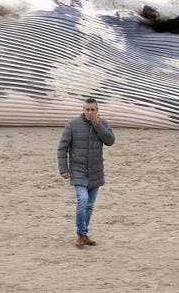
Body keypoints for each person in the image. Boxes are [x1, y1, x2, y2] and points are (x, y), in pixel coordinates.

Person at [57, 97, 116, 248]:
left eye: (93, 110)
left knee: (89, 205)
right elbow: (62, 147)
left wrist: (97, 124)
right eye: (87, 109)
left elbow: (110, 141)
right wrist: (63, 168)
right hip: (78, 170)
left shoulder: (103, 124)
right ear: (83, 110)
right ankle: (81, 234)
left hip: (96, 171)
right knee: (82, 200)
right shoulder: (72, 124)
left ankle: (83, 234)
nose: (90, 112)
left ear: (97, 111)